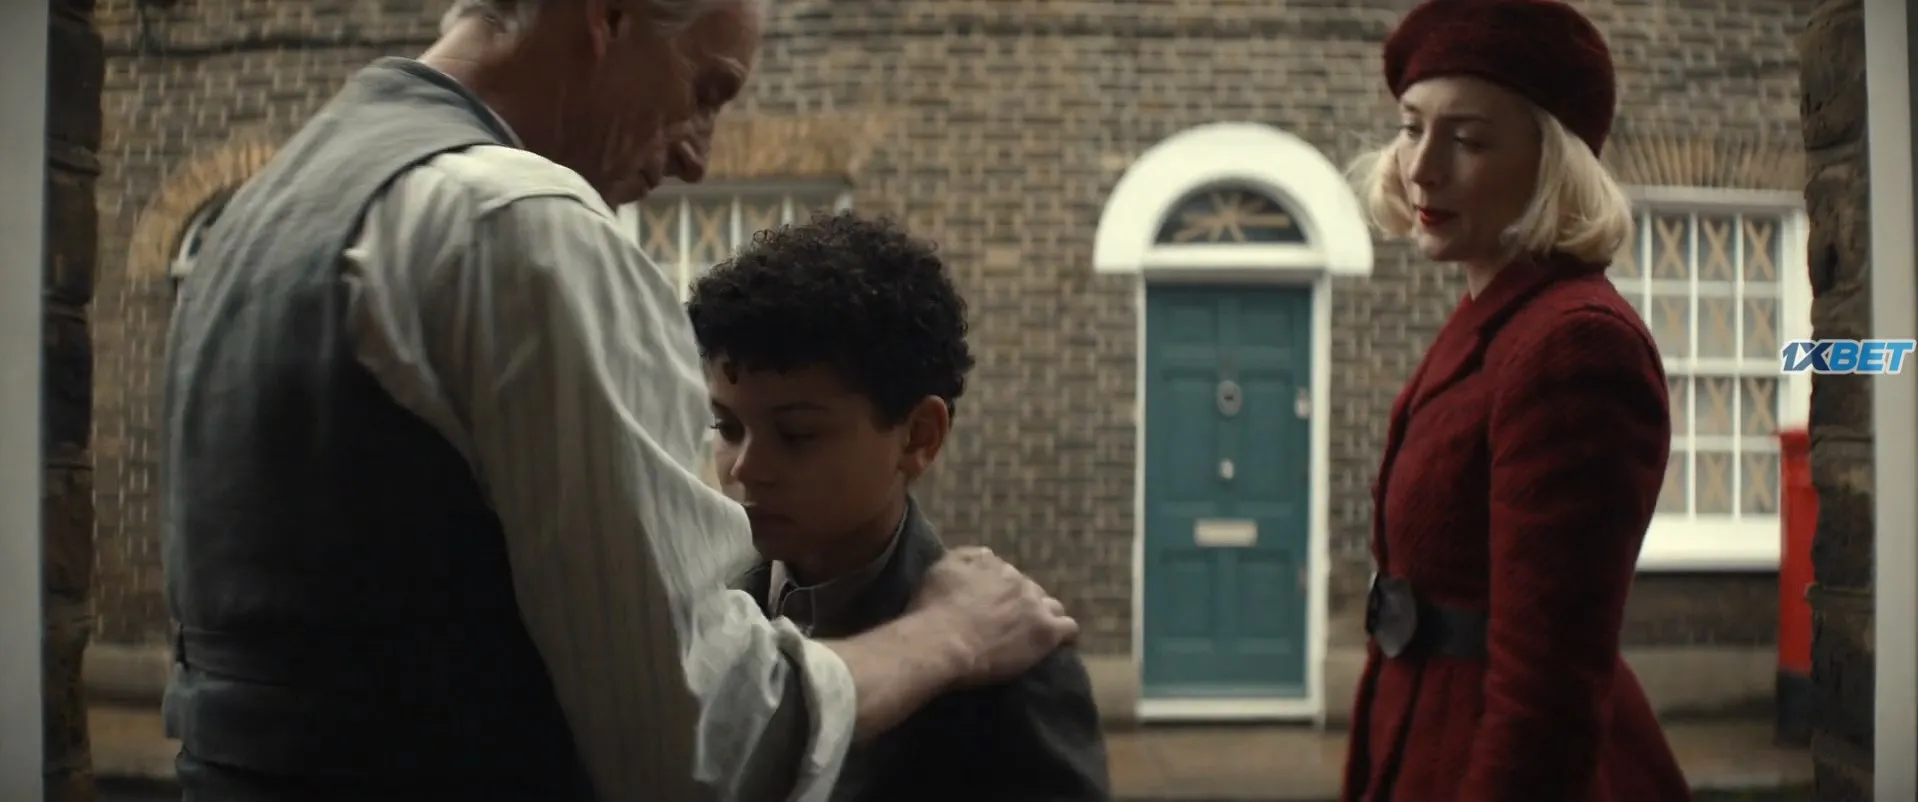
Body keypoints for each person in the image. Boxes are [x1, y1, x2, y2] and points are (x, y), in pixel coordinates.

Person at [158, 1, 1078, 801]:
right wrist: (947, 635)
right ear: (607, 16)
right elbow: (699, 748)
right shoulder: (521, 225)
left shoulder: (269, 211)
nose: (697, 157)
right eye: (706, 91)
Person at [1337, 1, 1691, 800]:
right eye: (1411, 128)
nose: (1422, 168)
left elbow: (1548, 695)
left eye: (1467, 139)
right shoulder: (1495, 317)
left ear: (1550, 166)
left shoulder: (1575, 345)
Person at [688, 212, 1113, 802]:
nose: (744, 467)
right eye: (727, 426)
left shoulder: (1015, 669)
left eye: (798, 434)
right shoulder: (702, 614)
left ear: (918, 436)